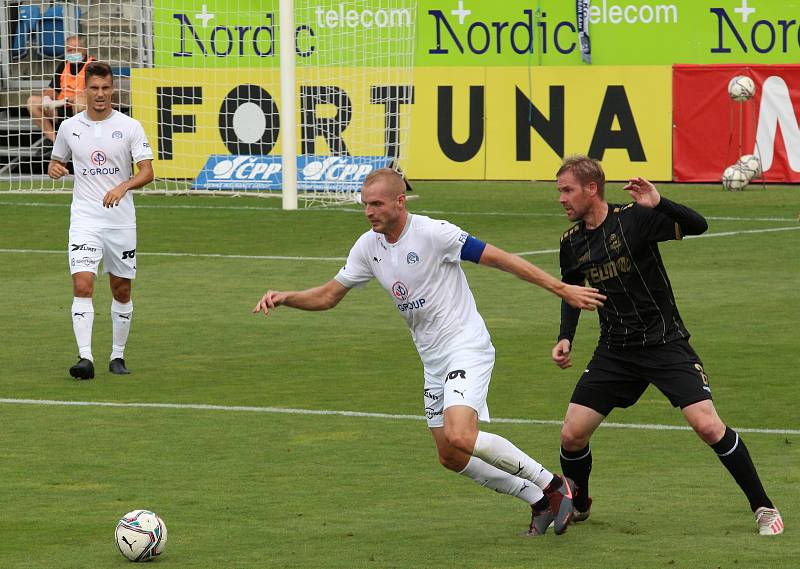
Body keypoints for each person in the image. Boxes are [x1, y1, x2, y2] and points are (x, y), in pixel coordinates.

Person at [253, 168, 607, 536]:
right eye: (365, 205)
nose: (369, 212)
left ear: (400, 202)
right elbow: (328, 296)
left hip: (466, 346)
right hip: (433, 359)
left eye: (376, 204)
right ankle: (536, 498)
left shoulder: (435, 234)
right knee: (451, 456)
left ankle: (554, 485)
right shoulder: (368, 247)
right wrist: (286, 298)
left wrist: (561, 289)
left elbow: (503, 259)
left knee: (461, 435)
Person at [552, 154, 783, 536]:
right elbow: (571, 292)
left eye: (567, 190)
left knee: (708, 426)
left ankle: (764, 506)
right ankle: (579, 503)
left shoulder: (634, 219)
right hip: (615, 350)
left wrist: (660, 203)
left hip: (664, 343)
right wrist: (566, 336)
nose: (561, 198)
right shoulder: (572, 243)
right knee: (571, 434)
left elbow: (699, 225)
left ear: (592, 189)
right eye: (560, 191)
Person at [48, 61, 154, 379]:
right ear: (85, 90)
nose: (100, 94)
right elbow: (56, 162)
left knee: (121, 289)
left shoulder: (130, 126)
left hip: (120, 220)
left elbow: (148, 171)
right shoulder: (70, 128)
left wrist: (123, 186)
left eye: (106, 88)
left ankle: (117, 356)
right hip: (85, 218)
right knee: (82, 283)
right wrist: (55, 169)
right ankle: (85, 358)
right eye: (94, 88)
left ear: (113, 89)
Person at [26, 35, 94, 150]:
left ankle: (78, 142)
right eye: (69, 50)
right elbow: (52, 89)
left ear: (84, 49)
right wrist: (47, 98)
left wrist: (65, 101)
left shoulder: (93, 65)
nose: (72, 53)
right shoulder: (63, 65)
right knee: (32, 101)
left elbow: (91, 91)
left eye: (76, 49)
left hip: (80, 109)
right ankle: (55, 141)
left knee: (79, 102)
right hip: (60, 108)